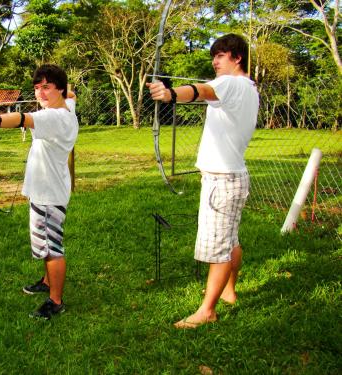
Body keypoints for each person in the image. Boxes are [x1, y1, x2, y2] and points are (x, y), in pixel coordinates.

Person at [147, 33, 259, 329]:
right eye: (215, 55)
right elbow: (208, 91)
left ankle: (207, 311)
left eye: (221, 55)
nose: (215, 60)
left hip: (222, 180)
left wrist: (170, 94)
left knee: (219, 248)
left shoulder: (230, 82)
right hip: (233, 176)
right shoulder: (249, 88)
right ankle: (229, 292)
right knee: (231, 240)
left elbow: (201, 91)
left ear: (237, 58)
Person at [0, 64, 78, 320]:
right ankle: (47, 282)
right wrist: (67, 93)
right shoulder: (66, 107)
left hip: (49, 193)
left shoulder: (54, 118)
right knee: (44, 243)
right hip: (47, 189)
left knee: (52, 248)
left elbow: (21, 119)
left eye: (47, 87)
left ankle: (56, 301)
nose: (40, 93)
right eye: (37, 88)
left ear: (59, 88)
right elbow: (72, 96)